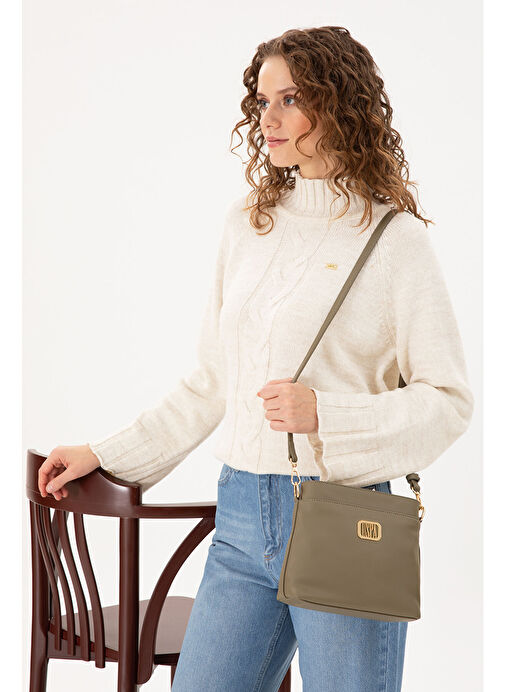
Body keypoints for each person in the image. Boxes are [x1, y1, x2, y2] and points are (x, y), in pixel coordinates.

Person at [38, 26, 474, 691]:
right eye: (262, 101)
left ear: (338, 104)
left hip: (341, 516)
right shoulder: (249, 223)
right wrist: (105, 453)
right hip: (242, 514)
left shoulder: (394, 240)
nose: (267, 118)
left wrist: (325, 415)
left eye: (289, 99)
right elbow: (211, 383)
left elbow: (447, 402)